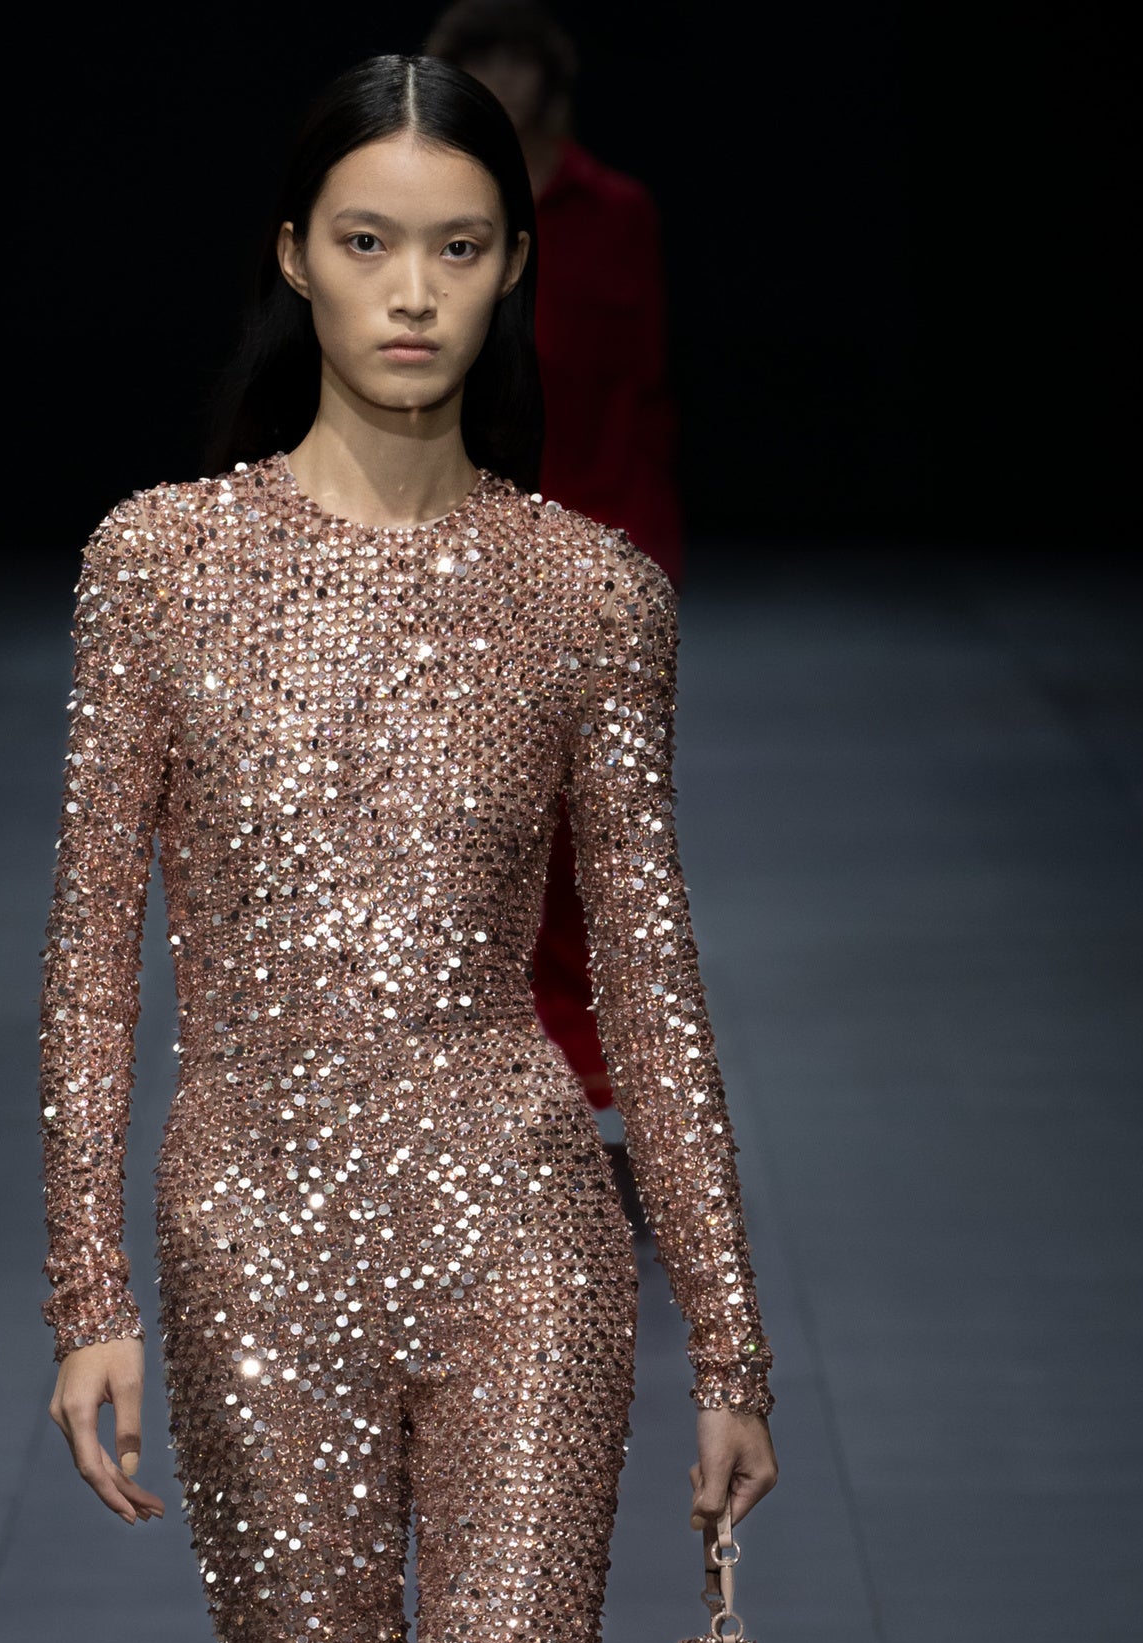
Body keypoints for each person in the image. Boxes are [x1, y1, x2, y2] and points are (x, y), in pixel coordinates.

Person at [40, 54, 776, 1643]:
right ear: (293, 258)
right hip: (254, 1229)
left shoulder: (587, 598)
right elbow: (92, 949)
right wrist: (87, 1287)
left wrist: (732, 1333)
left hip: (524, 1231)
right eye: (368, 241)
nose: (414, 293)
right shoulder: (158, 564)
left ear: (515, 271)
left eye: (459, 246)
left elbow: (651, 982)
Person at [428, 1, 682, 1222]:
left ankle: (594, 1094)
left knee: (594, 835)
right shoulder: (434, 212)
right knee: (475, 830)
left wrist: (648, 553)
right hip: (468, 553)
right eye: (476, 60)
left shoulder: (616, 211)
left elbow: (643, 385)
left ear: (550, 73)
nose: (500, 78)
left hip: (605, 538)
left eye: (516, 58)